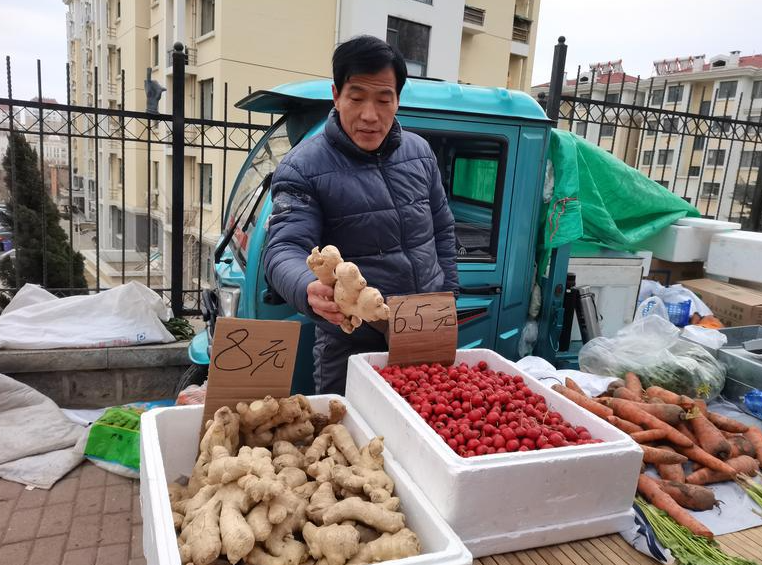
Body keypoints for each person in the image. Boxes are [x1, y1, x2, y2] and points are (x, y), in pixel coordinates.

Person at [263, 35, 458, 394]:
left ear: (397, 100)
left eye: (384, 99)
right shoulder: (303, 167)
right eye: (356, 98)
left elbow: (442, 230)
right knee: (353, 439)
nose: (370, 115)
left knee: (428, 432)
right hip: (352, 341)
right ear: (336, 96)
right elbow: (283, 249)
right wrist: (308, 288)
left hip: (425, 330)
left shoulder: (420, 153)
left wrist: (448, 295)